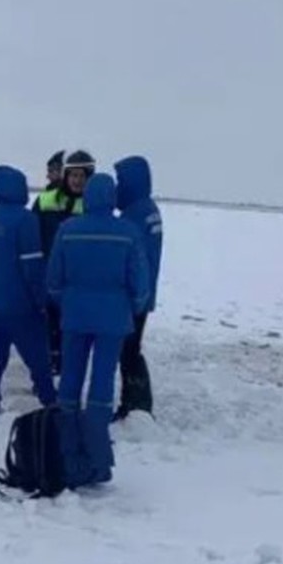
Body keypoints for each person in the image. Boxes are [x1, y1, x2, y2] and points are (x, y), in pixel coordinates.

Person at [47, 170, 152, 485]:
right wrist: (133, 307)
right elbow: (140, 281)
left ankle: (66, 446)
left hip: (75, 315)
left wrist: (66, 302)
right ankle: (96, 453)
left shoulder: (68, 230)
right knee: (103, 380)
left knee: (70, 377)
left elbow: (53, 279)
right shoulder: (128, 232)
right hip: (113, 317)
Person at [0, 165, 57, 414]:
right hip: (23, 302)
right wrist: (41, 299)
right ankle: (49, 397)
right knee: (37, 352)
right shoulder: (25, 220)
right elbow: (32, 266)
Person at [112, 155, 163, 419]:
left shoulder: (133, 216)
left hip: (133, 296)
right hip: (143, 293)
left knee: (128, 350)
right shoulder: (148, 209)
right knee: (131, 348)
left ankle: (136, 404)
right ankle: (136, 402)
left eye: (120, 181)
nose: (118, 187)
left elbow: (130, 260)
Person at [35, 150, 93, 373]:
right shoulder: (45, 200)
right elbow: (33, 234)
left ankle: (69, 363)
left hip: (79, 278)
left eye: (82, 176)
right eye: (73, 175)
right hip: (49, 272)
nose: (77, 181)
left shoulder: (94, 205)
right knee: (48, 321)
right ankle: (50, 360)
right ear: (66, 175)